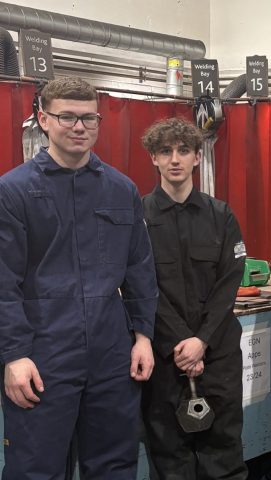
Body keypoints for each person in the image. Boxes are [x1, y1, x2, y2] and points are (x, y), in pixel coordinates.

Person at [0, 77, 158, 479]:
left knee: (114, 465)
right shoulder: (13, 191)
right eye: (66, 117)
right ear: (43, 120)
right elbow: (2, 281)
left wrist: (142, 336)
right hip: (43, 352)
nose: (78, 126)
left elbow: (140, 268)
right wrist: (14, 355)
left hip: (111, 352)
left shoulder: (121, 190)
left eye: (88, 118)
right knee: (36, 468)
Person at [140, 117, 248, 479]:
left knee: (224, 450)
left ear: (197, 157)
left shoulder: (221, 215)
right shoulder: (137, 217)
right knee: (169, 453)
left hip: (218, 353)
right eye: (165, 151)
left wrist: (201, 341)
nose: (175, 159)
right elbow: (142, 286)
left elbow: (229, 283)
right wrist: (179, 344)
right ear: (153, 158)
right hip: (163, 356)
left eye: (184, 151)